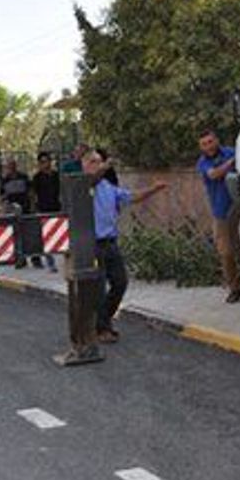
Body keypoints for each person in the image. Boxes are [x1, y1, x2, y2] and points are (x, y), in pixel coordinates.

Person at [82, 147, 167, 343]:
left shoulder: (106, 186)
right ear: (84, 165)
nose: (98, 165)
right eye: (93, 162)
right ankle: (101, 328)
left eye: (99, 161)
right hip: (92, 245)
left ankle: (102, 322)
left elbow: (131, 196)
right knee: (98, 288)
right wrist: (105, 166)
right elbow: (92, 179)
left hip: (110, 243)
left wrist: (153, 189)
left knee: (120, 283)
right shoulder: (84, 184)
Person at [196, 129, 240, 303]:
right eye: (204, 144)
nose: (209, 146)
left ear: (217, 140)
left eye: (210, 141)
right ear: (201, 147)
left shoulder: (231, 151)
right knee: (226, 254)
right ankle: (235, 290)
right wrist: (233, 162)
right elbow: (214, 174)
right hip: (221, 215)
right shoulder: (203, 163)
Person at [31, 151, 62, 273]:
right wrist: (34, 208)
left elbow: (61, 191)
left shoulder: (56, 176)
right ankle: (51, 263)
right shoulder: (37, 177)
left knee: (59, 236)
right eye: (42, 162)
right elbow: (33, 194)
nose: (46, 164)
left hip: (56, 208)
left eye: (47, 161)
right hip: (43, 209)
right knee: (46, 237)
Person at [0, 158, 32, 268]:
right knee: (16, 236)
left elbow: (30, 191)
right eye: (8, 166)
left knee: (28, 233)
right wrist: (5, 207)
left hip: (25, 209)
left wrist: (32, 205)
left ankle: (34, 258)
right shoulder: (4, 180)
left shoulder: (23, 177)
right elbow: (3, 196)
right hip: (12, 211)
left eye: (12, 165)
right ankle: (20, 259)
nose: (10, 168)